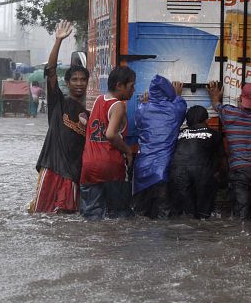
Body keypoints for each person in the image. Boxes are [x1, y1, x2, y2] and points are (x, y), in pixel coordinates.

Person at [29, 20, 89, 213]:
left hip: (73, 175)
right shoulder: (58, 103)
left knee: (67, 216)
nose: (79, 83)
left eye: (83, 80)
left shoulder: (91, 113)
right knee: (41, 214)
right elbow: (51, 71)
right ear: (68, 83)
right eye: (75, 80)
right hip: (52, 167)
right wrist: (58, 41)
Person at [80, 65, 136, 220]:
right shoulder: (118, 105)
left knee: (91, 217)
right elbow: (110, 134)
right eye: (131, 86)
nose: (133, 90)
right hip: (110, 166)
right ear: (119, 85)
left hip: (89, 165)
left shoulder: (98, 100)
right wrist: (128, 151)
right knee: (118, 217)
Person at [207, 80, 251, 219]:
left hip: (240, 171)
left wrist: (214, 96)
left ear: (241, 98)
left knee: (241, 217)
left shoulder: (229, 113)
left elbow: (216, 105)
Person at [131, 76, 186, 219]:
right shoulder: (176, 109)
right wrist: (177, 95)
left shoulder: (142, 110)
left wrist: (144, 104)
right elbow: (180, 105)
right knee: (162, 217)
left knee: (140, 214)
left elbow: (139, 120)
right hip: (162, 171)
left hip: (141, 170)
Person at [168, 105, 225, 219]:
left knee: (183, 216)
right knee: (203, 217)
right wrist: (222, 178)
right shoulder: (214, 134)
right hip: (202, 175)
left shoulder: (179, 134)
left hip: (177, 175)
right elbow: (222, 160)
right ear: (206, 120)